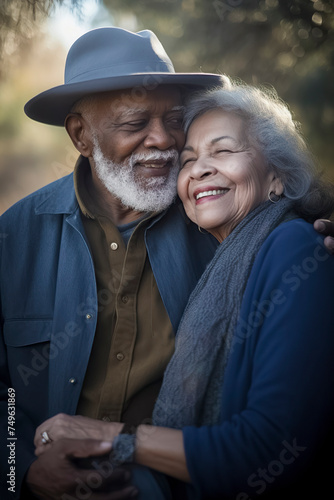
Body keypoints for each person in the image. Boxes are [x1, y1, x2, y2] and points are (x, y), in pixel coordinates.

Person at [0, 26, 333, 499]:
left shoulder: (216, 217)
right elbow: (5, 395)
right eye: (135, 123)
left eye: (174, 119)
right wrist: (22, 470)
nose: (163, 141)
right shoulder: (13, 238)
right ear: (80, 135)